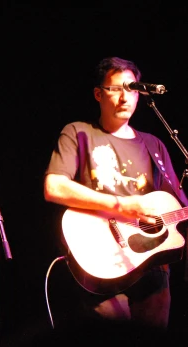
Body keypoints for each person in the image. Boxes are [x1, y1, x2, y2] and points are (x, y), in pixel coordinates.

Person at [44, 56, 188, 329]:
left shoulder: (154, 144)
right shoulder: (78, 133)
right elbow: (54, 187)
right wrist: (123, 206)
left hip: (152, 264)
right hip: (100, 258)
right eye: (115, 89)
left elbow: (177, 206)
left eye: (132, 89)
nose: (125, 97)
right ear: (98, 93)